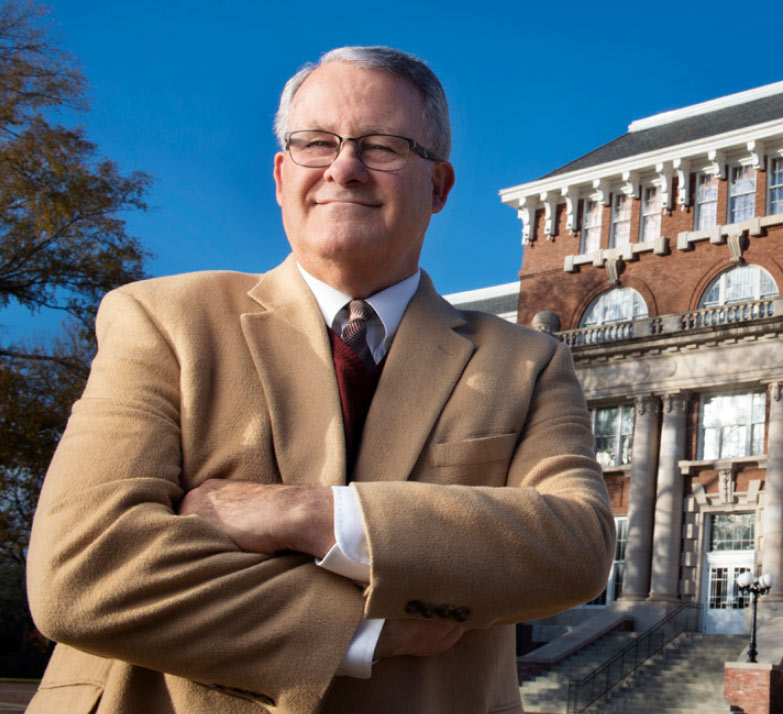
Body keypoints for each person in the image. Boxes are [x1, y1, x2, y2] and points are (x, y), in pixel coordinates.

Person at [26, 46, 615, 714]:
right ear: (282, 175)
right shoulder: (163, 320)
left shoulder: (526, 362)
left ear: (440, 186)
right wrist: (363, 632)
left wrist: (311, 515)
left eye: (383, 146)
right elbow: (83, 571)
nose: (344, 167)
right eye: (315, 143)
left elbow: (574, 545)